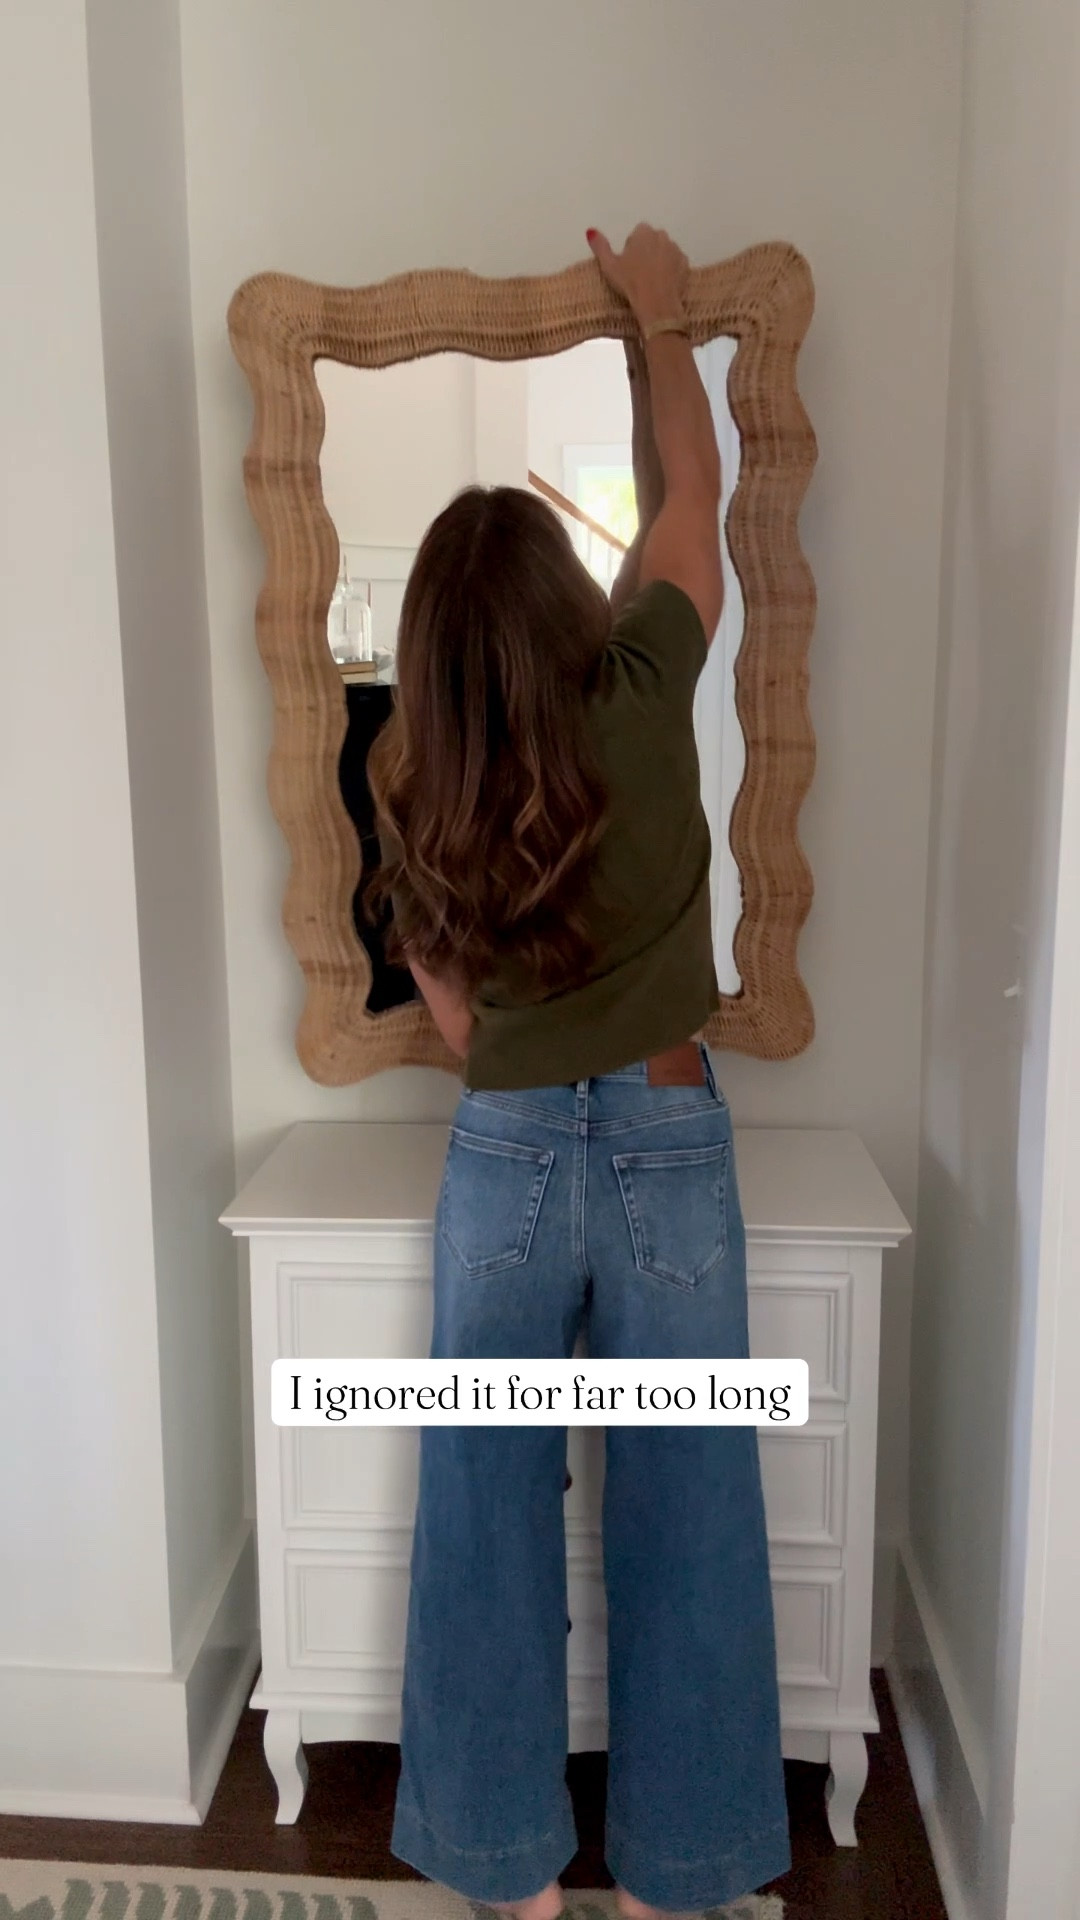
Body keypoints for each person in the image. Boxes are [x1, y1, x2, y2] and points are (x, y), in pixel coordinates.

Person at [366, 225, 790, 1920]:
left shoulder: (421, 778)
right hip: (671, 1136)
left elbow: (459, 1026)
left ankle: (511, 1882)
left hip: (508, 1162)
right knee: (691, 1506)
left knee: (483, 1503)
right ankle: (682, 1878)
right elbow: (693, 483)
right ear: (569, 603)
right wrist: (660, 316)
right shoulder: (648, 682)